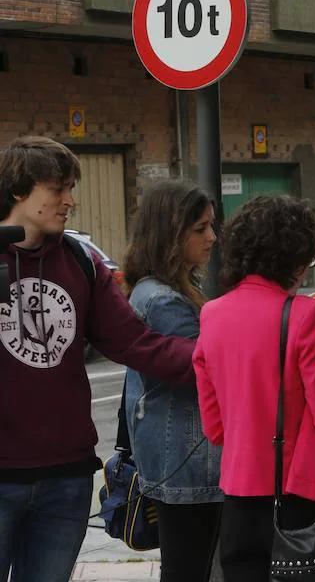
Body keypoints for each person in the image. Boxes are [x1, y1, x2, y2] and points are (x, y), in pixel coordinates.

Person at [0, 136, 195, 582]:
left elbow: (137, 344)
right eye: (58, 189)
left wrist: (224, 358)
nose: (71, 200)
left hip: (65, 477)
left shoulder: (80, 262)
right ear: (18, 191)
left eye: (72, 187)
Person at [193, 195, 315, 582]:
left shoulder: (211, 314)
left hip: (238, 495)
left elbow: (215, 430)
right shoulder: (307, 315)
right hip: (298, 498)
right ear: (295, 259)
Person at [122, 182, 223, 581]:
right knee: (189, 569)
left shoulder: (173, 288)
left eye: (212, 226)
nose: (212, 237)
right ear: (170, 233)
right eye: (201, 228)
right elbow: (208, 367)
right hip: (187, 460)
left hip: (184, 457)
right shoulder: (161, 299)